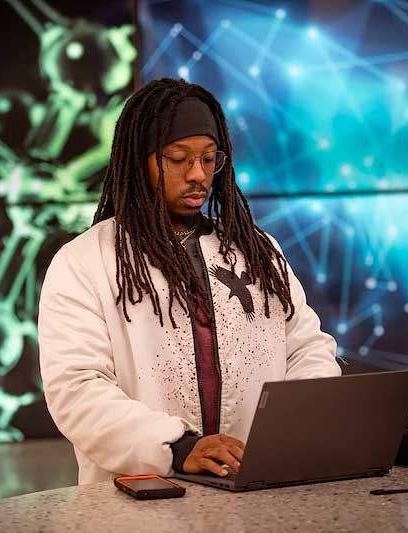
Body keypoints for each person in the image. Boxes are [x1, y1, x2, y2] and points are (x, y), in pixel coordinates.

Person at [38, 78, 341, 485]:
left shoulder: (257, 250)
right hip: (141, 499)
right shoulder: (85, 262)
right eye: (178, 158)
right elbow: (77, 389)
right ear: (139, 160)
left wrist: (288, 435)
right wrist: (177, 447)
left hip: (256, 487)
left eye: (209, 159)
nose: (198, 175)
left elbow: (307, 349)